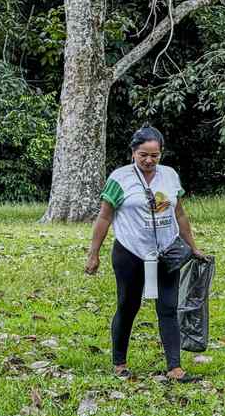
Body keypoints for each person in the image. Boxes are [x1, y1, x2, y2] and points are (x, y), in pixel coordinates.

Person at [85, 125, 206, 382]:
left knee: (168, 307)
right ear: (133, 153)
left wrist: (193, 247)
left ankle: (175, 368)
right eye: (143, 155)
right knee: (128, 306)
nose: (149, 161)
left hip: (166, 252)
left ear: (161, 154)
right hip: (130, 252)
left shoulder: (170, 176)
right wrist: (93, 254)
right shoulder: (119, 178)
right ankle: (119, 363)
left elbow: (180, 213)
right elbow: (104, 217)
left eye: (155, 155)